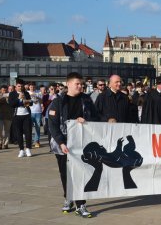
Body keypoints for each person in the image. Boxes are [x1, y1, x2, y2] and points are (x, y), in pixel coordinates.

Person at [48, 72, 99, 218]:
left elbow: (95, 117)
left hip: (82, 143)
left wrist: (87, 119)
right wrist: (61, 142)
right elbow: (52, 124)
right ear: (68, 84)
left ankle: (80, 204)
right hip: (63, 144)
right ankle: (68, 197)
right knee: (65, 173)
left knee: (80, 173)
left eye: (81, 84)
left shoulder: (86, 100)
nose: (80, 86)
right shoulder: (58, 101)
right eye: (77, 84)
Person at [8, 80, 33, 157]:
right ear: (15, 87)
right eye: (19, 86)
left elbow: (31, 103)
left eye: (21, 86)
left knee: (28, 133)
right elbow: (11, 104)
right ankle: (21, 150)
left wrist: (25, 99)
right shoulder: (12, 94)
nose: (20, 88)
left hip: (26, 115)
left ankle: (28, 149)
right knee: (18, 133)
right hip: (17, 116)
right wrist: (18, 99)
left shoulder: (26, 93)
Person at [0, 85, 12, 150]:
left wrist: (8, 98)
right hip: (0, 116)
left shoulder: (10, 96)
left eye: (6, 90)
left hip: (8, 115)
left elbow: (12, 104)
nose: (5, 91)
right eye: (3, 90)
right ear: (0, 90)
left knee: (7, 130)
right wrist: (3, 98)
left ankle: (6, 144)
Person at [28, 83, 43, 148]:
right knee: (29, 128)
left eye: (33, 87)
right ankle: (29, 141)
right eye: (31, 87)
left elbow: (41, 101)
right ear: (29, 87)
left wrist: (36, 96)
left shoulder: (38, 92)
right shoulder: (27, 93)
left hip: (38, 112)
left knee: (38, 127)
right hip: (30, 112)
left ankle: (37, 141)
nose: (32, 88)